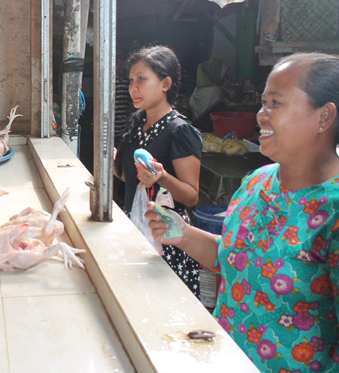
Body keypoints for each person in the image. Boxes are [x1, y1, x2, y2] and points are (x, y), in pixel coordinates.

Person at [145, 52, 339, 371]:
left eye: (276, 102)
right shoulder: (256, 182)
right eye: (264, 103)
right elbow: (240, 260)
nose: (262, 115)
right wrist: (181, 233)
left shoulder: (333, 209)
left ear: (324, 117)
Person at [114, 46, 203, 298]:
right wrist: (109, 162)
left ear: (165, 83)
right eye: (131, 80)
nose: (133, 87)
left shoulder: (179, 130)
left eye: (141, 79)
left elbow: (191, 196)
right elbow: (131, 179)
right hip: (136, 229)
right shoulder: (136, 125)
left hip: (168, 238)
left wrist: (162, 177)